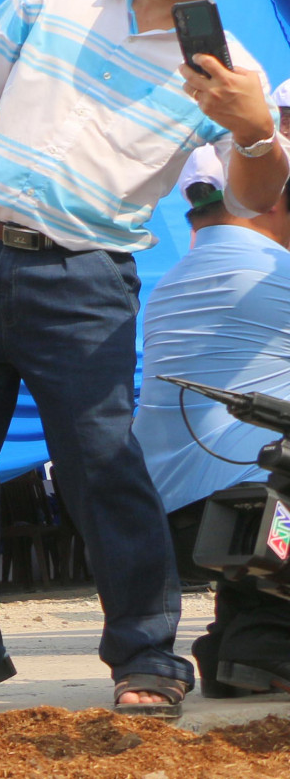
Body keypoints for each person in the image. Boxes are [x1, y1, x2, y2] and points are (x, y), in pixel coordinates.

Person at [0, 0, 286, 719]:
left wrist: (255, 130)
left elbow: (252, 198)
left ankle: (147, 658)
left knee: (103, 462)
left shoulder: (230, 68)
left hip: (86, 277)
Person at [133, 146, 290, 695]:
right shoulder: (276, 275)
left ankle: (235, 646)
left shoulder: (172, 283)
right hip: (254, 520)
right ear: (266, 202)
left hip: (173, 526)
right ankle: (265, 642)